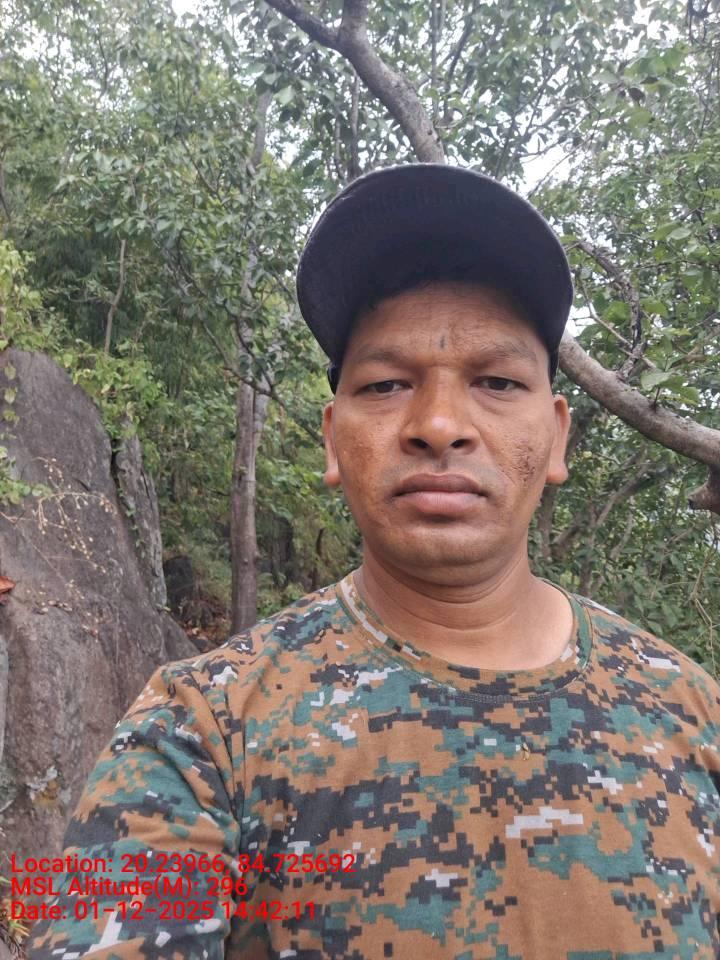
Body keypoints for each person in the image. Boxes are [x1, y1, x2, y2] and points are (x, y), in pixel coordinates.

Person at [26, 165, 720, 960]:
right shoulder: (199, 735)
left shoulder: (693, 715)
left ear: (557, 435)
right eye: (387, 384)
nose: (439, 424)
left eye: (497, 381)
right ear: (332, 439)